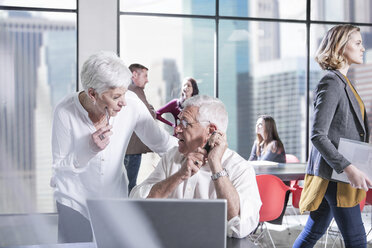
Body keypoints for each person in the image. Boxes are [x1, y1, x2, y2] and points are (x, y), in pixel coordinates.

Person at [51, 51, 177, 243]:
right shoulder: (64, 111)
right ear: (93, 94)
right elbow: (59, 170)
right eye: (116, 96)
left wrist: (204, 151)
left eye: (125, 93)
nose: (123, 102)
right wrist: (89, 149)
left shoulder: (132, 104)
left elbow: (163, 143)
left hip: (115, 201)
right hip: (74, 201)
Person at [130, 95, 261, 238]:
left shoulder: (240, 168)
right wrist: (179, 176)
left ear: (211, 131)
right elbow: (137, 203)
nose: (176, 129)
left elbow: (240, 228)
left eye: (185, 123)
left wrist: (215, 165)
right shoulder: (171, 157)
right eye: (178, 122)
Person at [293, 24, 372, 248]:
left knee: (313, 231)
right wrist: (348, 167)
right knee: (356, 240)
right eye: (357, 43)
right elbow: (318, 135)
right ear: (340, 46)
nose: (363, 48)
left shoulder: (344, 83)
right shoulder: (331, 82)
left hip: (336, 174)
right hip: (337, 174)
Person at [248, 115, 287, 225]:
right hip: (262, 182)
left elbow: (261, 165)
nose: (257, 126)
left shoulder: (275, 145)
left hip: (272, 187)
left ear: (268, 127)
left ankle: (251, 221)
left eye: (260, 124)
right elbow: (250, 161)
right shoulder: (257, 143)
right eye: (257, 124)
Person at [124, 63, 156, 193]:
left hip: (127, 147)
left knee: (125, 183)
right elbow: (149, 114)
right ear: (134, 75)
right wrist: (152, 109)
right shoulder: (136, 91)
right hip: (133, 149)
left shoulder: (126, 90)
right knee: (130, 186)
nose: (147, 80)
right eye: (145, 76)